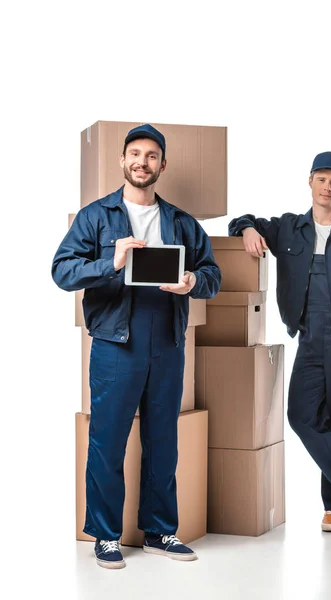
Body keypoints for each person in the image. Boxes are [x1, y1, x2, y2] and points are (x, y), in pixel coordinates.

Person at [52, 124, 221, 568]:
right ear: (122, 160)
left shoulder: (182, 222)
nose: (141, 162)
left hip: (167, 338)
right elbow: (62, 270)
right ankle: (105, 537)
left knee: (164, 440)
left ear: (162, 165)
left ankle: (161, 531)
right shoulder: (95, 216)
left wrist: (192, 282)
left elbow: (213, 275)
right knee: (107, 441)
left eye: (151, 156)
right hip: (114, 342)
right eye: (134, 154)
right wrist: (112, 261)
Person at [229, 151, 331, 532]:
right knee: (302, 414)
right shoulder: (289, 229)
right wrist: (248, 230)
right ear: (310, 181)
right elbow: (242, 219)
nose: (328, 186)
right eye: (322, 178)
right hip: (310, 338)